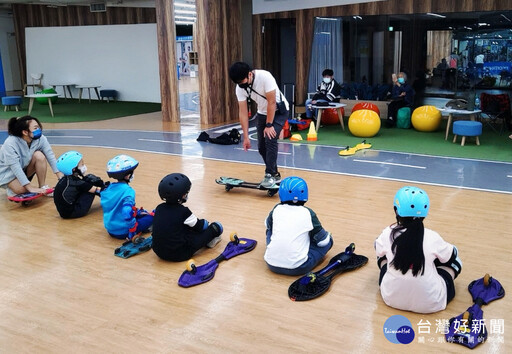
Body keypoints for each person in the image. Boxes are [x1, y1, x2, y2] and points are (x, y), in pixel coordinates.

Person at [375, 186, 462, 313]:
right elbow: (451, 255)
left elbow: (378, 250)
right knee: (454, 263)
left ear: (396, 210)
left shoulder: (387, 233)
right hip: (431, 303)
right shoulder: (432, 236)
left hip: (391, 298)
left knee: (382, 256)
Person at [229, 61, 289, 188]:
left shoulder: (265, 77)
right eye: (238, 83)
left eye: (243, 82)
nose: (241, 85)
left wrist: (269, 125)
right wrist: (245, 137)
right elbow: (243, 112)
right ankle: (275, 173)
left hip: (279, 111)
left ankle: (269, 174)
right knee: (262, 147)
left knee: (270, 137)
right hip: (262, 113)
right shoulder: (240, 87)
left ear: (250, 74)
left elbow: (272, 102)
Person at [264, 176, 333, 276]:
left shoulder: (276, 208)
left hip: (271, 264)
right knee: (328, 240)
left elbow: (267, 224)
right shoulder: (308, 213)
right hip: (298, 267)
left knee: (270, 229)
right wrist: (327, 236)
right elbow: (323, 242)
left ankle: (276, 251)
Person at [151, 173, 223, 262]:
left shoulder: (159, 208)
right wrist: (206, 223)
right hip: (180, 254)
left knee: (182, 229)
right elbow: (201, 226)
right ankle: (211, 238)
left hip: (159, 252)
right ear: (183, 195)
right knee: (216, 227)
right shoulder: (183, 211)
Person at [0, 115, 62, 198]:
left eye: (38, 127)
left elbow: (50, 156)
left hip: (24, 168)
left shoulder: (41, 139)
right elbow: (15, 168)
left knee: (39, 155)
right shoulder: (10, 144)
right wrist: (30, 188)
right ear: (25, 132)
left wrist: (61, 178)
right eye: (35, 128)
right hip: (8, 174)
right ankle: (11, 188)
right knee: (21, 190)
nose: (39, 130)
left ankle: (42, 186)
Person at [100, 154, 153, 240]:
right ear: (128, 176)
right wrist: (132, 231)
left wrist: (137, 212)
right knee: (152, 216)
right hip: (123, 232)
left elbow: (116, 206)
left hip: (110, 229)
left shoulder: (108, 188)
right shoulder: (128, 191)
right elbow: (126, 212)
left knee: (141, 213)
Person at [54, 150, 105, 219]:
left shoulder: (66, 179)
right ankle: (112, 199)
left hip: (65, 212)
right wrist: (107, 189)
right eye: (82, 164)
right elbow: (97, 190)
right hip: (73, 212)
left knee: (88, 180)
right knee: (92, 182)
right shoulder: (76, 182)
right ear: (74, 169)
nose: (84, 166)